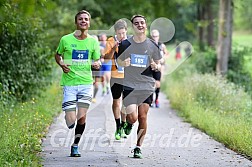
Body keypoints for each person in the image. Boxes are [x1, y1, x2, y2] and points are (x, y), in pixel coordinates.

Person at [55, 10, 101, 157]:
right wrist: (62, 64)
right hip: (70, 83)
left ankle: (75, 145)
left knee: (82, 118)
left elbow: (97, 60)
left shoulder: (93, 41)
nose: (83, 21)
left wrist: (97, 64)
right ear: (76, 22)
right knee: (71, 121)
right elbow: (57, 55)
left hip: (86, 83)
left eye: (86, 19)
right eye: (80, 19)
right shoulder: (65, 40)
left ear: (89, 22)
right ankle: (68, 116)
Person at [117, 15, 162, 158]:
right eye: (136, 23)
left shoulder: (152, 45)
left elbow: (159, 63)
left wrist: (156, 66)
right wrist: (125, 63)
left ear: (146, 26)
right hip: (129, 85)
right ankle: (129, 124)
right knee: (133, 118)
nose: (140, 25)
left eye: (142, 23)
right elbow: (118, 61)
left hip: (146, 85)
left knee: (143, 117)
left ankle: (138, 147)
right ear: (133, 26)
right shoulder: (125, 44)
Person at [104, 19, 128, 140]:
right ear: (115, 32)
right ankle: (118, 126)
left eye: (123, 33)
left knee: (126, 103)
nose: (121, 36)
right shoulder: (111, 41)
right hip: (115, 76)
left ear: (126, 31)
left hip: (128, 76)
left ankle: (124, 124)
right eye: (119, 34)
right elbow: (106, 59)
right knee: (116, 101)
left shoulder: (130, 41)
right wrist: (113, 49)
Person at [150, 29, 169, 108]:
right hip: (151, 66)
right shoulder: (149, 44)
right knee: (151, 83)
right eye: (153, 36)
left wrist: (163, 58)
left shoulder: (162, 45)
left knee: (157, 83)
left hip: (159, 66)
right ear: (151, 36)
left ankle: (156, 99)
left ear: (158, 37)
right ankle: (150, 100)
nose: (155, 38)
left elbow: (167, 54)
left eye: (156, 36)